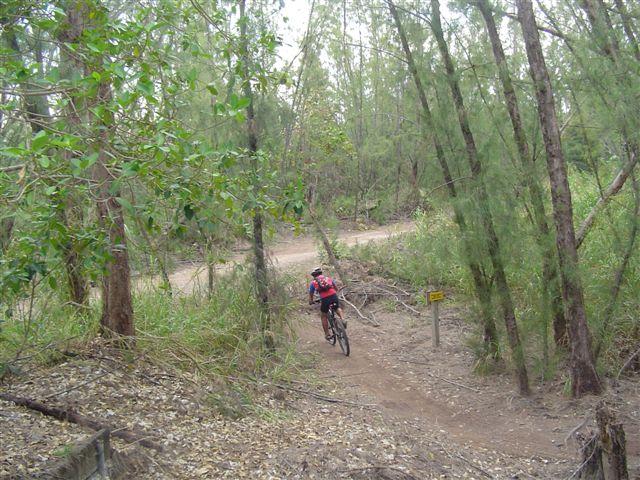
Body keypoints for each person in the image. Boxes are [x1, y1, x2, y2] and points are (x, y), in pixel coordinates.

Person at [308, 267, 346, 341]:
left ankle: (327, 334)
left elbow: (311, 293)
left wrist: (311, 301)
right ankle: (343, 319)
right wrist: (335, 294)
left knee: (323, 316)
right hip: (333, 296)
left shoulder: (313, 283)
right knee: (337, 307)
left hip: (325, 299)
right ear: (321, 273)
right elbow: (335, 288)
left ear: (314, 275)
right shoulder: (328, 278)